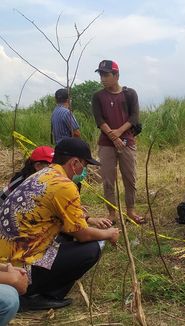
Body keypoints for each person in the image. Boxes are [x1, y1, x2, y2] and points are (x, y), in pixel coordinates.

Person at [0, 138, 120, 311]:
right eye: (84, 166)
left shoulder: (42, 174)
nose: (84, 171)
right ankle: (36, 294)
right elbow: (82, 233)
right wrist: (109, 233)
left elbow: (66, 224)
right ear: (74, 163)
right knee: (91, 249)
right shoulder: (64, 185)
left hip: (7, 259)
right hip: (20, 264)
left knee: (67, 238)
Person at [91, 59, 144, 224]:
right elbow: (99, 120)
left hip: (127, 141)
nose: (103, 78)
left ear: (116, 75)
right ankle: (112, 213)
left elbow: (134, 117)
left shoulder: (129, 94)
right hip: (106, 143)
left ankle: (130, 211)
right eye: (101, 74)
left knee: (130, 177)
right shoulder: (98, 96)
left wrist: (120, 133)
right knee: (107, 179)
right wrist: (113, 137)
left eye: (106, 74)